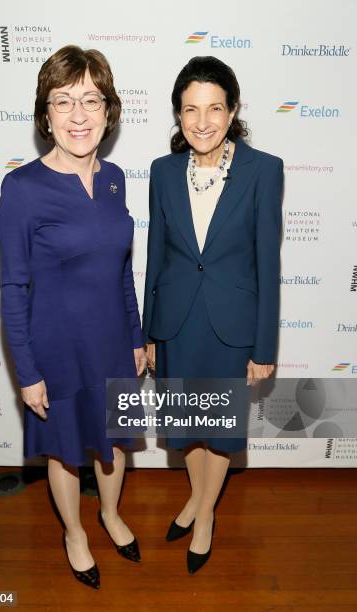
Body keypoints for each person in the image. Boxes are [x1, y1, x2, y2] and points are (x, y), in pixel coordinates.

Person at [0, 45, 146, 590]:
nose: (78, 115)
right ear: (46, 113)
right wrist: (27, 371)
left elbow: (121, 270)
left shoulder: (116, 180)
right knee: (63, 448)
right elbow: (13, 288)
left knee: (114, 440)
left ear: (109, 111)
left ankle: (110, 514)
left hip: (112, 340)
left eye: (91, 100)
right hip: (55, 346)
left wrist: (135, 335)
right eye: (64, 101)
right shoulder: (21, 189)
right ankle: (75, 533)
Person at [142, 56, 283, 574]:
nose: (202, 122)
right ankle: (197, 499)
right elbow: (156, 253)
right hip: (176, 320)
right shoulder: (161, 171)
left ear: (233, 110)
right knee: (187, 426)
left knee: (219, 428)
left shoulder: (264, 170)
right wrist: (148, 331)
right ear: (178, 115)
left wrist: (264, 347)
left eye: (214, 108)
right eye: (190, 110)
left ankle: (204, 516)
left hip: (231, 326)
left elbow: (269, 264)